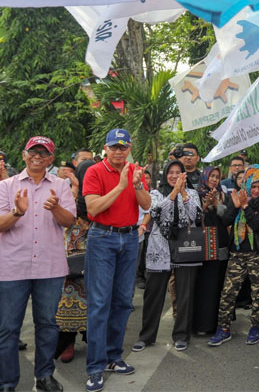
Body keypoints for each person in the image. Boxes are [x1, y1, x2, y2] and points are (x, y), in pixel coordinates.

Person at [0, 136, 76, 392]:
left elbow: (69, 222)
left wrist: (55, 208)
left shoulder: (61, 186)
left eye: (44, 153)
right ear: (24, 155)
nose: (38, 157)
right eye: (34, 152)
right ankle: (7, 382)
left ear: (50, 159)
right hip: (12, 267)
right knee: (8, 329)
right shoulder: (6, 186)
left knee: (47, 324)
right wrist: (17, 212)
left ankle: (44, 376)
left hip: (49, 267)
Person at [82, 129, 150, 392]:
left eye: (123, 147)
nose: (119, 151)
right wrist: (121, 186)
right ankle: (95, 368)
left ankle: (113, 357)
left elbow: (145, 205)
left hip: (130, 238)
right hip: (102, 238)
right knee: (99, 304)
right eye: (114, 147)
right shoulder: (94, 171)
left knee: (123, 301)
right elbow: (93, 208)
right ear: (105, 148)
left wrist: (135, 185)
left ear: (129, 147)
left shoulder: (135, 171)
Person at [132, 160, 201, 353]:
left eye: (178, 172)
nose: (174, 176)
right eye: (170, 172)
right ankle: (146, 336)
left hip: (186, 248)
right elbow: (155, 212)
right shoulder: (155, 193)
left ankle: (181, 335)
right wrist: (173, 193)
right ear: (165, 175)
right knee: (153, 293)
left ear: (184, 175)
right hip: (159, 248)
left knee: (184, 293)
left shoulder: (193, 193)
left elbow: (196, 215)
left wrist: (184, 192)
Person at [209, 166, 259, 347]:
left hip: (257, 254)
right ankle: (223, 328)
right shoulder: (237, 197)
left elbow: (258, 223)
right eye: (253, 186)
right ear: (246, 184)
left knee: (257, 292)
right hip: (237, 253)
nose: (256, 190)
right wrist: (235, 207)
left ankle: (255, 327)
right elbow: (226, 221)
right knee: (229, 291)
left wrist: (245, 206)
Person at [55, 159, 96, 365]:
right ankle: (67, 343)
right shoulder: (68, 194)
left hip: (97, 258)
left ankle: (93, 340)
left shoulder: (101, 192)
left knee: (95, 303)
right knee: (68, 303)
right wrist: (76, 189)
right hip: (71, 258)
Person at [193, 166, 230, 335]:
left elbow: (228, 216)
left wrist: (216, 204)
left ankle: (214, 324)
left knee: (216, 283)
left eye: (217, 176)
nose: (214, 179)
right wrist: (205, 204)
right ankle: (199, 325)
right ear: (205, 177)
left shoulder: (223, 194)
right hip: (201, 244)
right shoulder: (195, 193)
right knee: (202, 284)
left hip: (219, 243)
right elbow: (193, 216)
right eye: (212, 176)